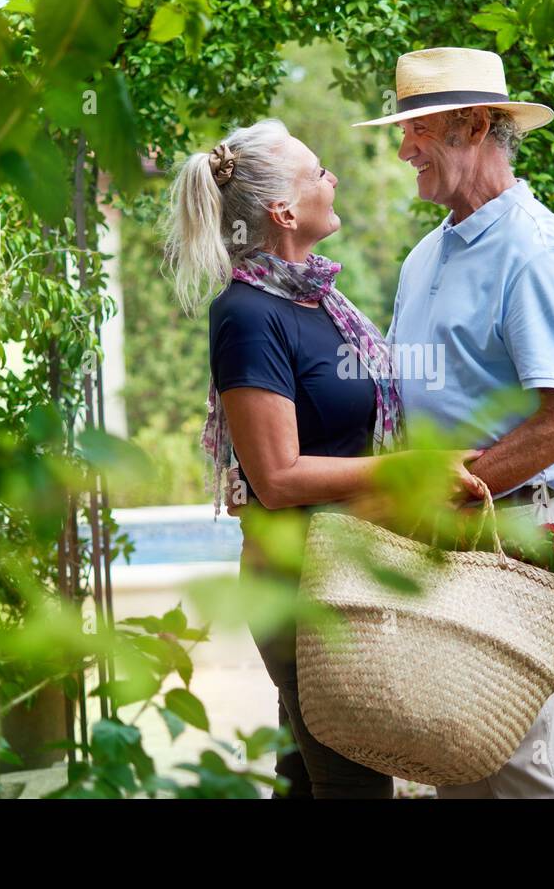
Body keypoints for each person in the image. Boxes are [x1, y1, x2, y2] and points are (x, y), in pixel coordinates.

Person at [161, 118, 482, 798]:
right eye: (318, 172)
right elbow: (276, 478)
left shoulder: (319, 303)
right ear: (282, 210)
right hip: (300, 586)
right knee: (356, 786)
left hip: (342, 574)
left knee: (307, 781)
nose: (331, 179)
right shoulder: (248, 314)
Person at [355, 47, 554, 798]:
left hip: (512, 539)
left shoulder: (534, 250)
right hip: (445, 542)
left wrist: (447, 491)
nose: (403, 151)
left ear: (474, 124)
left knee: (522, 773)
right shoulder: (424, 256)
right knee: (458, 766)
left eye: (417, 130)